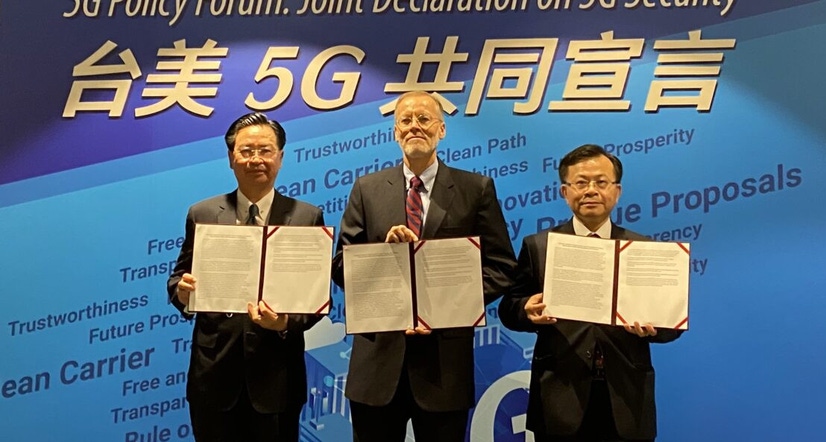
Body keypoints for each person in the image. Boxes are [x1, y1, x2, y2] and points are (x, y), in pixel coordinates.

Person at [331, 91, 517, 442]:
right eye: (405, 120)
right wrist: (382, 254)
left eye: (424, 119)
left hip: (444, 365)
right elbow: (342, 264)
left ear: (441, 129)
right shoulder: (367, 189)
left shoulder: (475, 189)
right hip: (377, 364)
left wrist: (442, 308)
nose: (414, 126)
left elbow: (502, 267)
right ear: (395, 132)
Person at [498, 144, 684, 442]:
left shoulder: (644, 249)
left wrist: (653, 328)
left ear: (617, 191)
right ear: (564, 191)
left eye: (601, 182)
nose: (591, 191)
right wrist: (526, 311)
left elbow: (670, 326)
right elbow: (509, 308)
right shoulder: (539, 246)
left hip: (626, 396)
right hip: (559, 396)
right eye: (581, 183)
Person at [167, 112, 324, 442]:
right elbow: (179, 276)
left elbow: (315, 299)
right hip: (213, 375)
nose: (256, 159)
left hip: (277, 377)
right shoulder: (203, 214)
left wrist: (283, 322)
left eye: (265, 151)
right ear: (231, 158)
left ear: (280, 157)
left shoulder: (306, 217)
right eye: (246, 151)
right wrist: (182, 292)